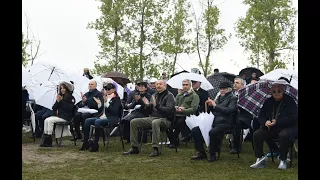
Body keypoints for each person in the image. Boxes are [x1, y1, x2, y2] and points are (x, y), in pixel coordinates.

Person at [250, 81, 298, 170]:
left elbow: (293, 118)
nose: (276, 93)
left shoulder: (290, 101)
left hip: (288, 127)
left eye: (279, 91)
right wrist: (265, 122)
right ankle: (260, 158)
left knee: (283, 135)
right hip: (272, 128)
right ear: (271, 92)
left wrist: (278, 121)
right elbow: (261, 115)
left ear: (283, 91)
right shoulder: (268, 101)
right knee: (257, 134)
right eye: (274, 91)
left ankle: (283, 159)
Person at [123, 80, 175, 157]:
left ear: (165, 85)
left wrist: (156, 105)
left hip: (165, 119)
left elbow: (168, 111)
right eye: (157, 84)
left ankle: (155, 149)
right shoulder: (154, 95)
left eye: (160, 84)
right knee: (133, 121)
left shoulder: (169, 96)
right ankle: (134, 147)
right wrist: (146, 104)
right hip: (152, 117)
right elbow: (149, 111)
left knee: (155, 122)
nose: (158, 86)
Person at [190, 81, 237, 162]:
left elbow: (229, 110)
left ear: (229, 89)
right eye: (221, 89)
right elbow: (214, 110)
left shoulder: (233, 98)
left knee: (213, 132)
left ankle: (212, 153)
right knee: (195, 130)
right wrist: (210, 105)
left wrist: (215, 105)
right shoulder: (219, 97)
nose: (222, 90)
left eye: (224, 89)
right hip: (214, 121)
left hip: (225, 122)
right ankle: (201, 152)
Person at [80, 83, 122, 152]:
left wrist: (107, 103)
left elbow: (115, 112)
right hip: (103, 116)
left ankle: (95, 144)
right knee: (87, 120)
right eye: (106, 89)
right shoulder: (105, 97)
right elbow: (101, 110)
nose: (107, 90)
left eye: (109, 89)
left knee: (97, 122)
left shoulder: (116, 99)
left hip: (112, 119)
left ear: (114, 89)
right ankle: (86, 142)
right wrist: (99, 104)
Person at [40, 82, 75, 147]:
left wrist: (61, 101)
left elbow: (69, 109)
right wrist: (58, 101)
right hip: (60, 116)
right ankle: (46, 139)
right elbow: (54, 108)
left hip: (66, 117)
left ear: (66, 89)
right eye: (61, 88)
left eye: (63, 88)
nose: (62, 90)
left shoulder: (71, 97)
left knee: (50, 121)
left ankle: (49, 141)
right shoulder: (60, 97)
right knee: (46, 120)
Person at [172, 79, 200, 146]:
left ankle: (174, 140)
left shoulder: (194, 96)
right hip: (177, 114)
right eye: (183, 85)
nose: (184, 86)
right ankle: (173, 139)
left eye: (186, 85)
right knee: (169, 122)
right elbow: (174, 105)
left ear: (190, 85)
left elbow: (194, 109)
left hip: (188, 115)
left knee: (179, 122)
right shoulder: (179, 95)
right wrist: (177, 108)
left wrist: (183, 110)